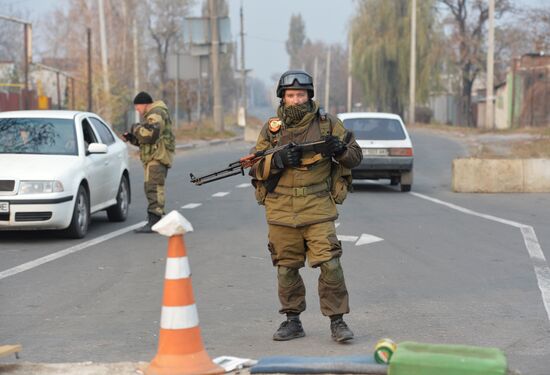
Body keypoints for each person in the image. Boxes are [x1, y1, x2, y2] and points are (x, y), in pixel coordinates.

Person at [249, 70, 363, 343]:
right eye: (291, 95)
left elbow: (355, 156)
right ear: (283, 97)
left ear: (309, 96)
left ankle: (338, 321)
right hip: (281, 208)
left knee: (331, 264)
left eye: (301, 95)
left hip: (317, 205)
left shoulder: (327, 124)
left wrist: (339, 150)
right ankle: (292, 320)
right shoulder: (271, 129)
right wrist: (278, 161)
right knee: (286, 268)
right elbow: (254, 166)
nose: (296, 100)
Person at [123, 91, 176, 233]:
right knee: (150, 187)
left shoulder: (156, 113)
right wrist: (132, 138)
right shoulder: (152, 115)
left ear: (144, 104)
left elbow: (150, 135)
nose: (137, 110)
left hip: (158, 157)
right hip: (153, 156)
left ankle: (155, 221)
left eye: (137, 107)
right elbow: (146, 141)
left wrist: (136, 128)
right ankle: (155, 219)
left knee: (154, 187)